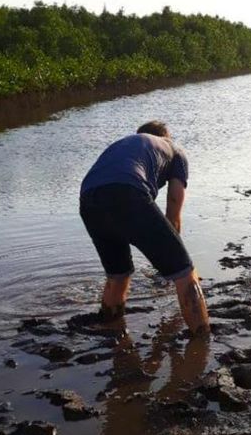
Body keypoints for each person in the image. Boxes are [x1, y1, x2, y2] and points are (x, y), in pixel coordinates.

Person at [79, 120, 209, 334]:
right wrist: (174, 263)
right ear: (166, 136)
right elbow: (174, 209)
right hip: (128, 192)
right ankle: (203, 343)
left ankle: (112, 334)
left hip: (89, 198)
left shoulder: (127, 144)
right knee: (186, 273)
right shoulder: (175, 150)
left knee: (118, 275)